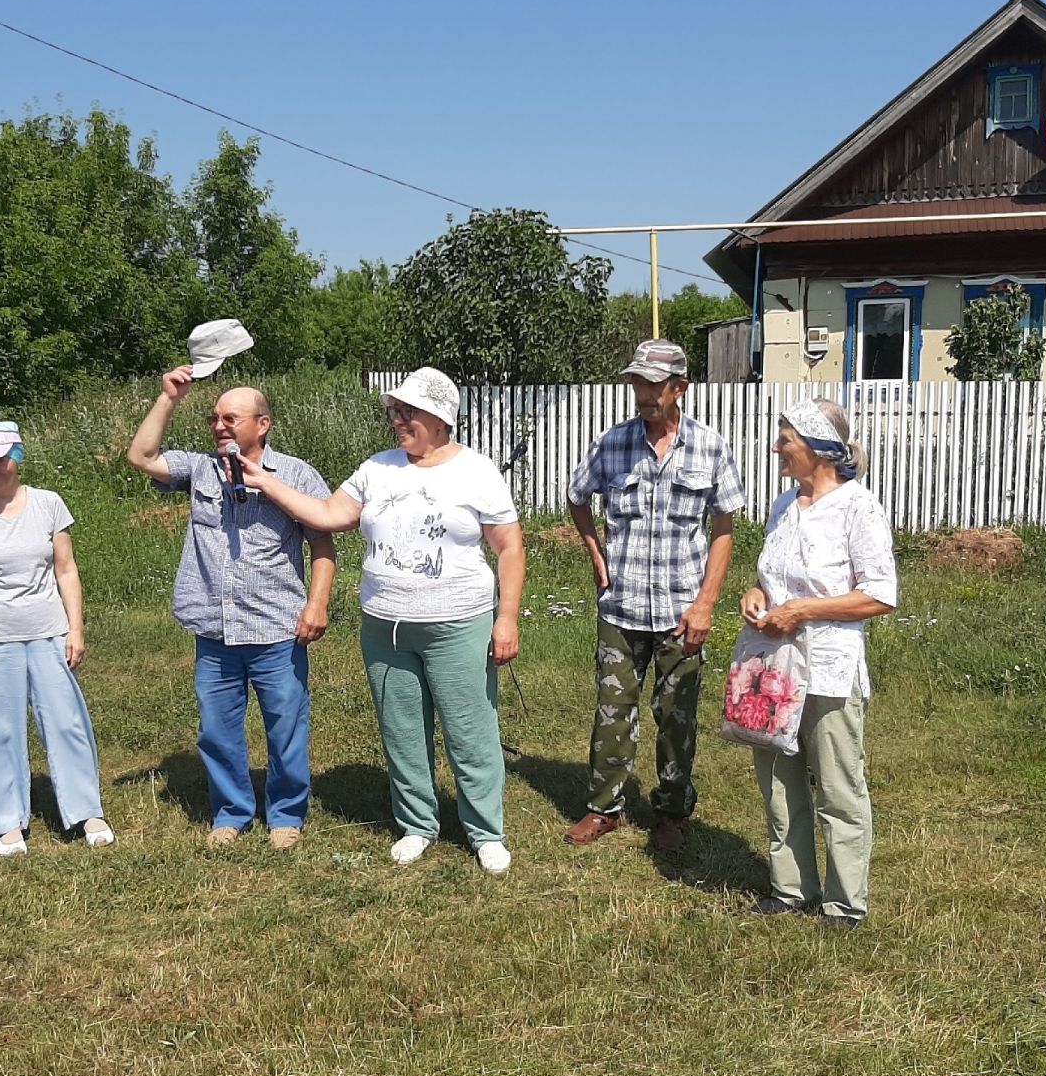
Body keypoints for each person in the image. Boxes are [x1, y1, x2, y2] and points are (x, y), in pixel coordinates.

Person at [236, 367, 525, 873]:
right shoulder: (377, 468)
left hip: (458, 622)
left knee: (469, 728)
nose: (397, 420)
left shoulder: (476, 472)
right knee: (402, 729)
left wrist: (507, 619)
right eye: (394, 411)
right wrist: (264, 483)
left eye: (407, 412)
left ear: (440, 417)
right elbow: (327, 515)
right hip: (386, 625)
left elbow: (509, 548)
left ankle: (485, 832)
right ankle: (418, 825)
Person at [126, 370, 335, 849]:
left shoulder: (297, 474)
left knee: (286, 727)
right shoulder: (200, 470)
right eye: (214, 417)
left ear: (262, 424)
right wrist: (168, 398)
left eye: (231, 418)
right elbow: (141, 456)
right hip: (215, 629)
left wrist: (317, 604)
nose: (219, 425)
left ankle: (286, 814)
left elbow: (323, 544)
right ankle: (232, 812)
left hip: (277, 627)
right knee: (217, 730)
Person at [564, 339, 747, 853]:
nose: (643, 394)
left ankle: (671, 811)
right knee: (612, 709)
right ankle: (603, 809)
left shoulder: (709, 447)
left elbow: (724, 529)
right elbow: (577, 497)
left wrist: (707, 602)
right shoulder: (612, 443)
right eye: (637, 383)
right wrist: (595, 553)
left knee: (677, 715)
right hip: (620, 609)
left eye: (653, 384)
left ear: (680, 388)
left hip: (680, 610)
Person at [737, 401, 896, 926]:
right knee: (778, 779)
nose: (777, 447)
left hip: (829, 666)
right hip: (774, 666)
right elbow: (772, 575)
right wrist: (757, 594)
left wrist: (804, 610)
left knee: (837, 784)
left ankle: (846, 902)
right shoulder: (784, 505)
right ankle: (790, 889)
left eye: (786, 439)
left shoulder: (858, 508)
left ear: (820, 448)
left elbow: (879, 595)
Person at [0, 422, 112, 857]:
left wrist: (76, 629)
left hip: (48, 632)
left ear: (16, 457)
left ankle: (86, 812)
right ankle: (6, 823)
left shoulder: (49, 504)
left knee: (66, 722)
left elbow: (66, 569)